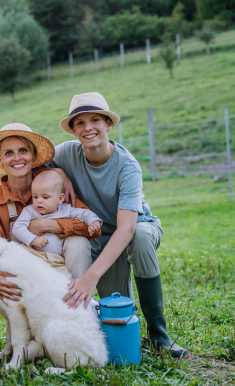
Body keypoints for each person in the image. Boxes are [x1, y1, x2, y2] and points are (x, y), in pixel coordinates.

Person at [47, 92, 189, 358]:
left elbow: (127, 228)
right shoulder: (66, 153)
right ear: (74, 129)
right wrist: (59, 172)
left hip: (138, 227)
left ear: (108, 124)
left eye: (95, 120)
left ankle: (159, 335)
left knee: (141, 238)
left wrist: (91, 277)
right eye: (80, 122)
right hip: (99, 237)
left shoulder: (128, 166)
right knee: (117, 307)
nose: (88, 127)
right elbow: (34, 165)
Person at [0, 123, 101, 303]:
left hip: (62, 258)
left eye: (23, 150)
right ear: (0, 158)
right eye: (8, 153)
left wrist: (49, 225)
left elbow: (94, 229)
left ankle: (78, 298)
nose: (17, 158)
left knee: (78, 241)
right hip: (26, 266)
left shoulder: (53, 182)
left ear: (33, 155)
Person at [12, 171, 102, 263]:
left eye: (45, 197)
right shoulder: (30, 211)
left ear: (60, 199)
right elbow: (17, 228)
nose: (39, 201)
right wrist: (33, 239)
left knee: (65, 276)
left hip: (58, 260)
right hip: (35, 256)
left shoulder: (65, 210)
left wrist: (93, 221)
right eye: (35, 197)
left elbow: (85, 213)